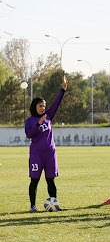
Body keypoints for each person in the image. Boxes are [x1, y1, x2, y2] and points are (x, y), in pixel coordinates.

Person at [25, 74, 67, 212]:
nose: (43, 108)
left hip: (50, 154)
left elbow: (56, 103)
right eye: (40, 106)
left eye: (44, 106)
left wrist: (63, 90)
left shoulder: (48, 116)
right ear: (34, 107)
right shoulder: (30, 121)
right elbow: (29, 134)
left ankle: (54, 205)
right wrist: (38, 123)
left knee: (51, 180)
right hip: (36, 154)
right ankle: (33, 206)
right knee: (34, 181)